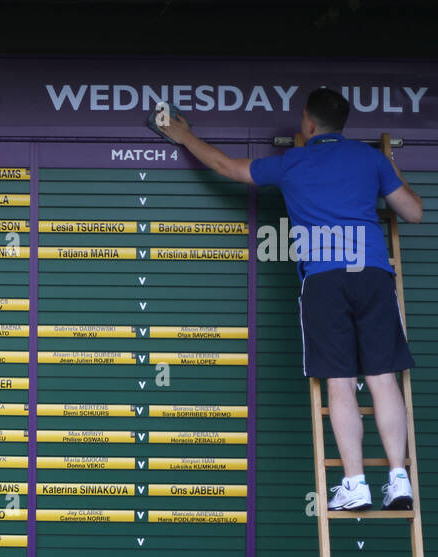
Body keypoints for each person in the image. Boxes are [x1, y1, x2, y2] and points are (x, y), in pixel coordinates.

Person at [161, 88, 424, 511]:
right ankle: (399, 479)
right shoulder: (372, 160)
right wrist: (387, 169)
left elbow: (227, 167)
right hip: (373, 275)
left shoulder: (293, 163)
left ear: (307, 122)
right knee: (382, 378)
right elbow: (413, 211)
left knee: (340, 383)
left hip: (323, 281)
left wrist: (185, 136)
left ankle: (355, 483)